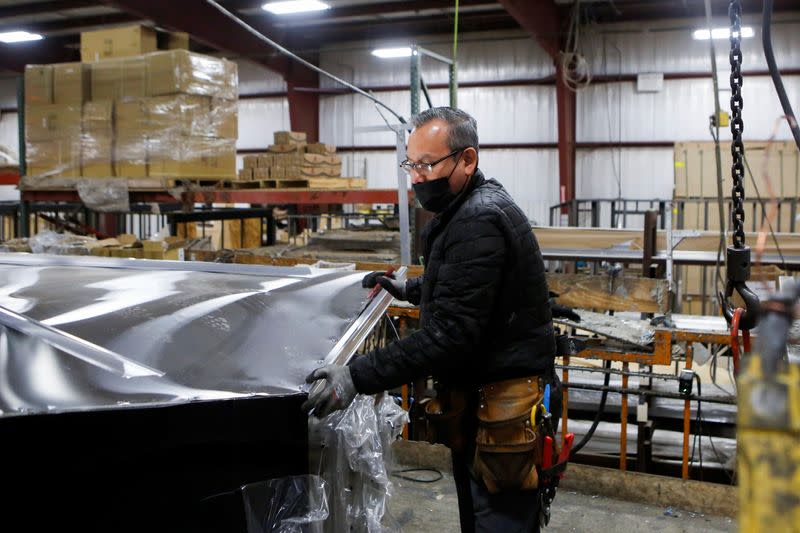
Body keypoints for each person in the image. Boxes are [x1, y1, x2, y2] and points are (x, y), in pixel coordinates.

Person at [303, 107, 563, 532]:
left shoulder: (478, 218)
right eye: (411, 164)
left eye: (427, 164)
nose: (417, 176)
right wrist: (409, 291)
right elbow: (470, 287)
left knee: (496, 518)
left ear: (467, 159)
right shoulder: (468, 209)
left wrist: (356, 376)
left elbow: (451, 335)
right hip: (485, 398)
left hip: (504, 407)